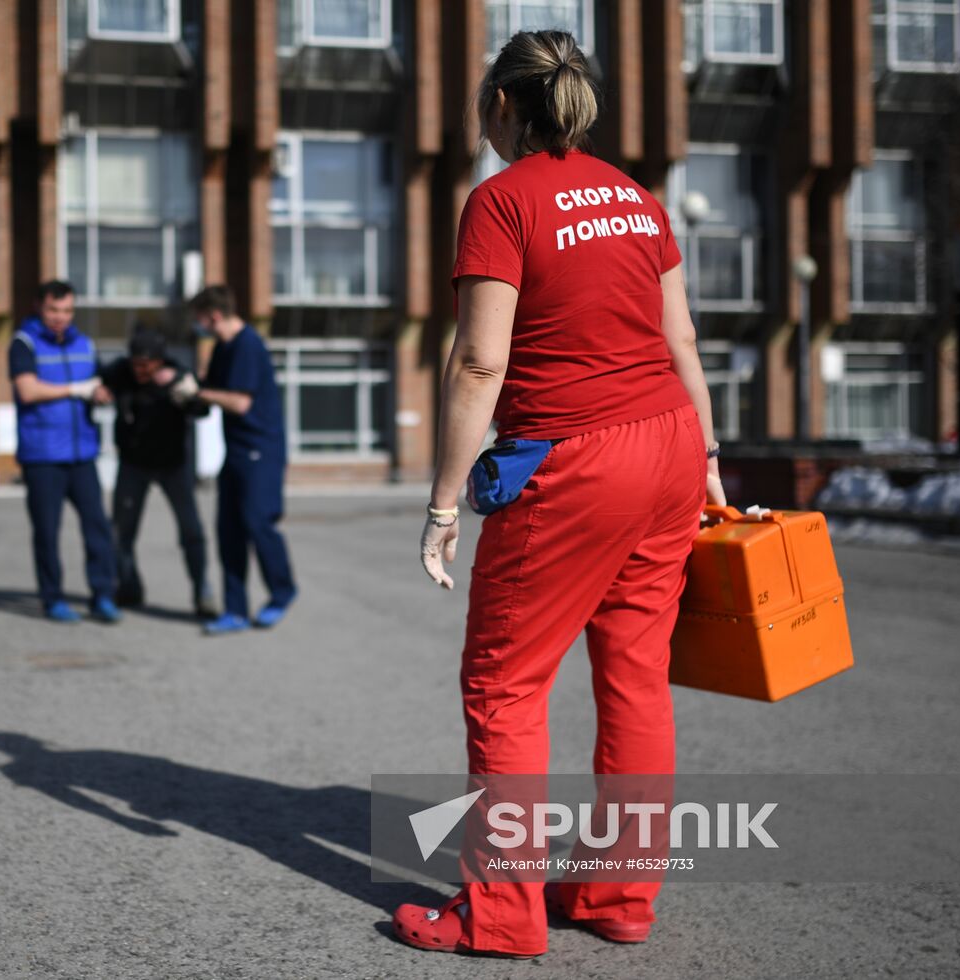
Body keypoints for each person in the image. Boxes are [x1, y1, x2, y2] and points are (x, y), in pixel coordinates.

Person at [391, 31, 726, 957]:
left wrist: (444, 503)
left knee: (505, 682)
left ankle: (500, 917)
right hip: (666, 443)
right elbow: (683, 341)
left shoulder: (501, 202)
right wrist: (704, 458)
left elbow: (480, 361)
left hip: (575, 456)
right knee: (635, 678)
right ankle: (617, 898)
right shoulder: (634, 195)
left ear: (503, 102)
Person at [186, 285, 298, 635]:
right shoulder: (222, 347)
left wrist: (199, 392)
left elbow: (239, 403)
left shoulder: (247, 345)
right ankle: (234, 610)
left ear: (214, 315)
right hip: (234, 451)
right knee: (228, 531)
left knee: (258, 523)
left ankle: (282, 592)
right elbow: (209, 395)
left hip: (261, 452)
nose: (198, 326)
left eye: (200, 320)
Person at [10, 280, 120, 624]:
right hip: (42, 456)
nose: (60, 317)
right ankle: (53, 598)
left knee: (97, 528)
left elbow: (99, 384)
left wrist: (101, 392)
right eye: (53, 310)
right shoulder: (23, 343)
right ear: (39, 308)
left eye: (67, 310)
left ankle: (102, 595)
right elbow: (27, 391)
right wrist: (76, 388)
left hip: (82, 453)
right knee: (47, 531)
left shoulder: (85, 344)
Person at [95, 325, 218, 617]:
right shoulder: (120, 372)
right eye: (136, 363)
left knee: (191, 531)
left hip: (173, 465)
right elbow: (97, 381)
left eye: (147, 365)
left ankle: (202, 590)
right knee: (122, 531)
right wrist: (99, 390)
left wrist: (185, 392)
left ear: (160, 361)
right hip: (133, 464)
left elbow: (202, 411)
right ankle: (129, 586)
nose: (141, 370)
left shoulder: (176, 374)